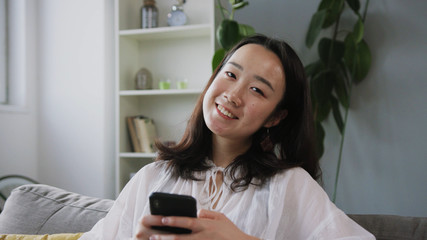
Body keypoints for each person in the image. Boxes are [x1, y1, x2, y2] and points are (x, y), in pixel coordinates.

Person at [80, 35, 374, 240]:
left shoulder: (289, 185)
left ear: (275, 116)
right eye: (231, 75)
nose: (233, 96)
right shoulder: (153, 176)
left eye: (257, 90)